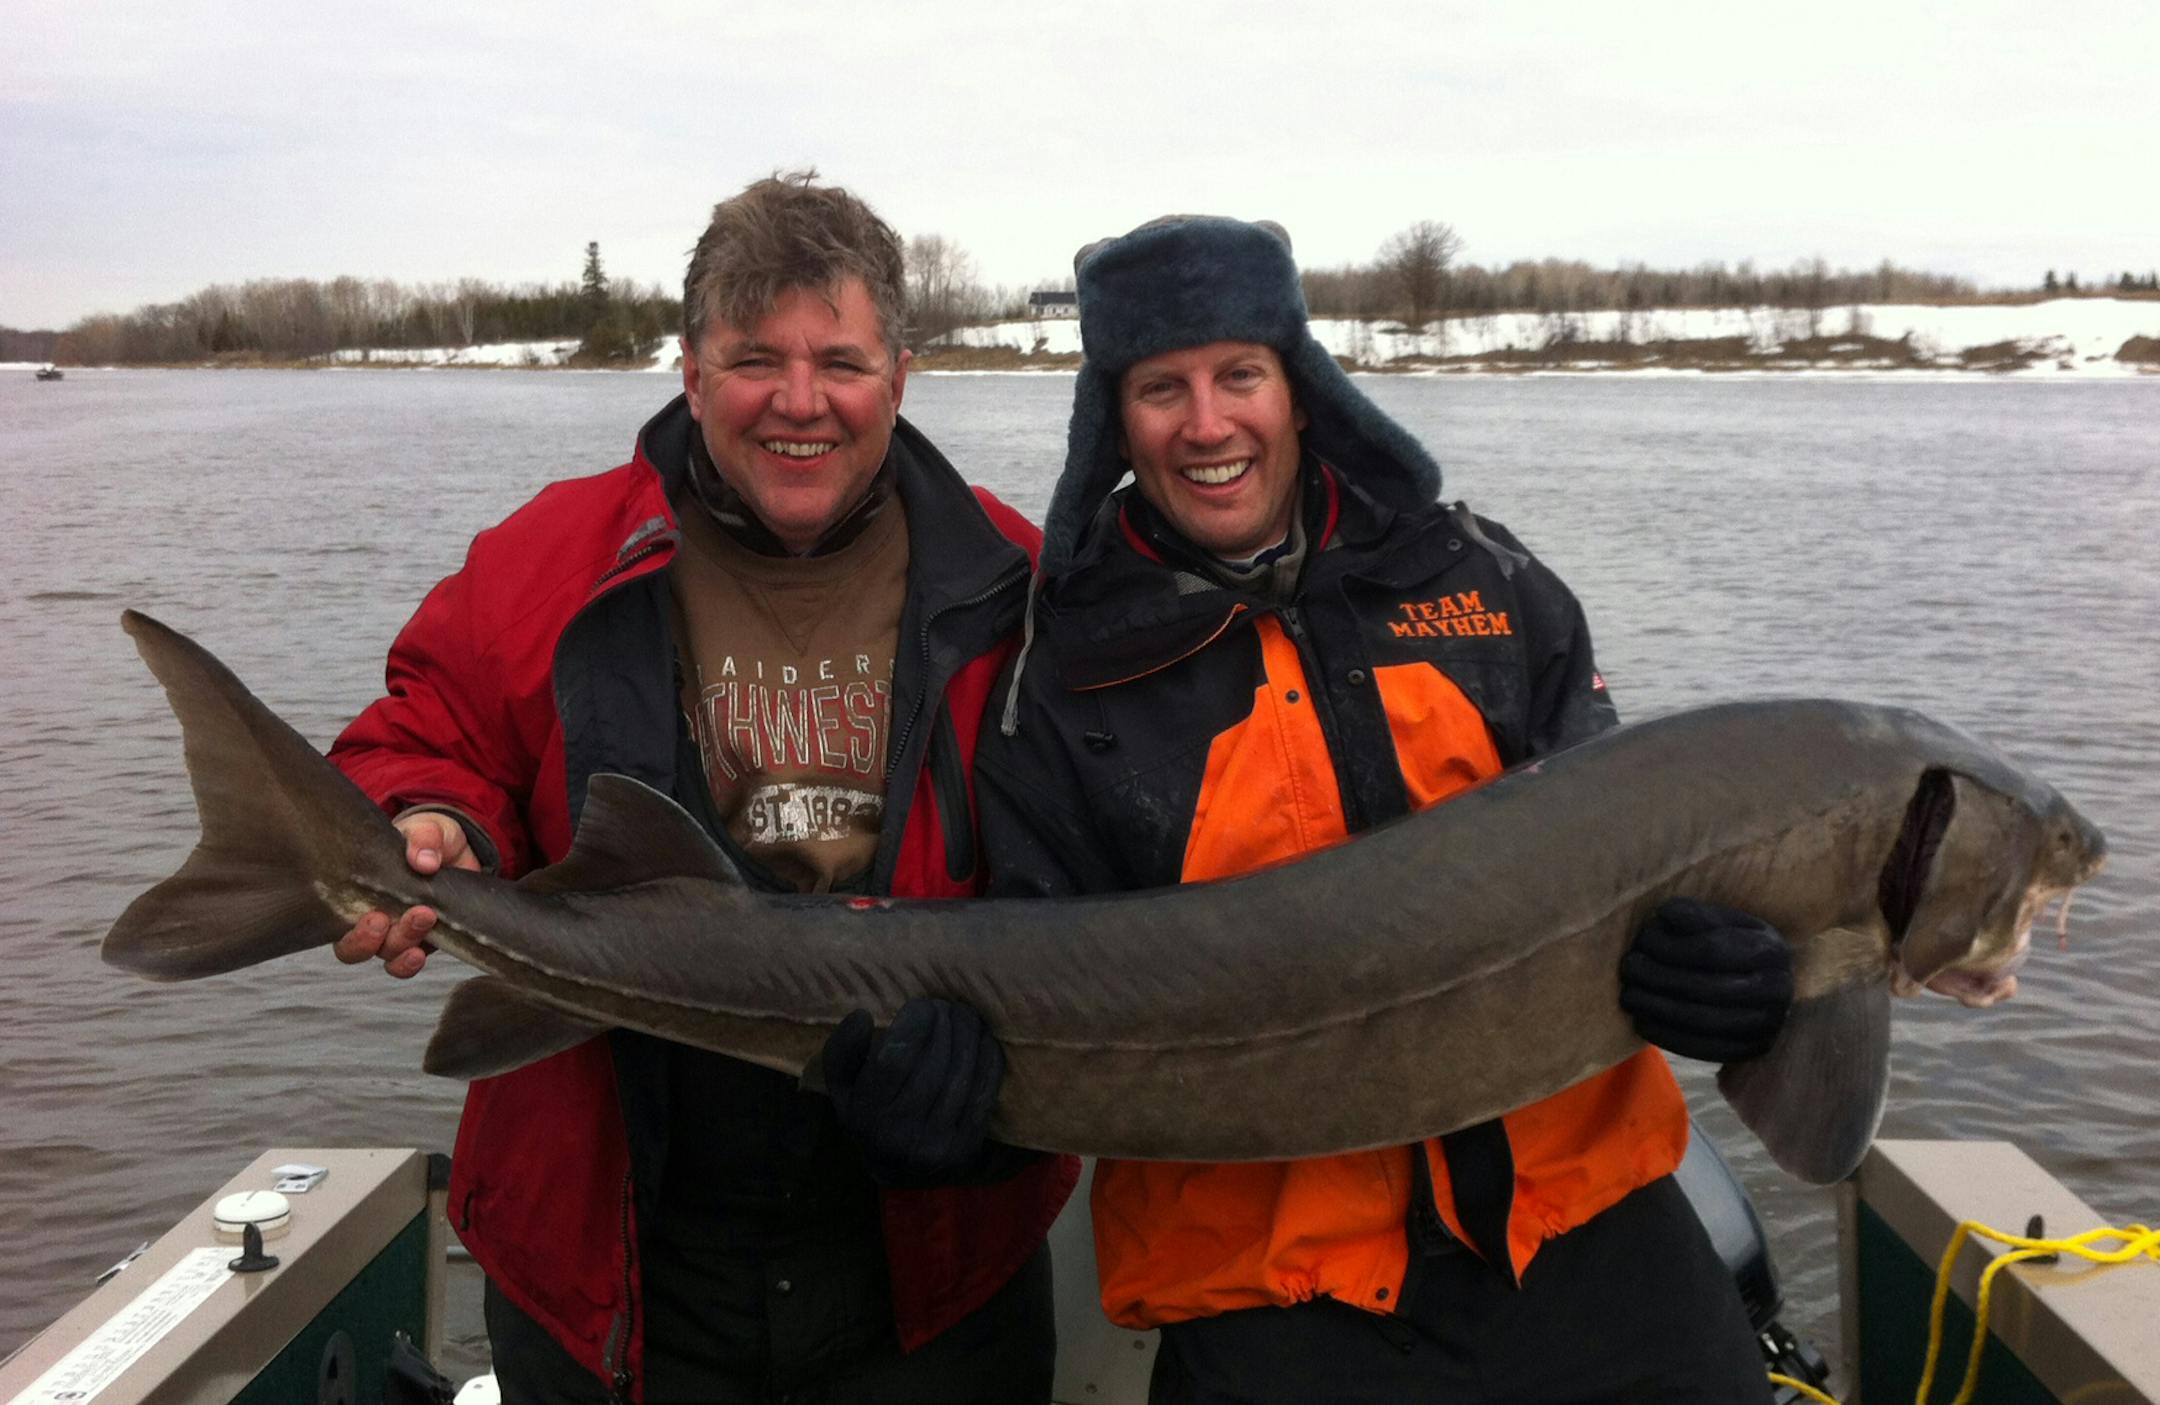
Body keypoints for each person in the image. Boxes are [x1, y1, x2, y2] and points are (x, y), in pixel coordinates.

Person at [975, 215, 1794, 1403]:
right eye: (1163, 387)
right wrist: (946, 1099)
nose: (1208, 424)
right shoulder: (1059, 683)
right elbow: (1031, 993)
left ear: (1299, 387)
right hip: (1270, 1290)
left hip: (1591, 1228)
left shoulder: (1487, 584)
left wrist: (1736, 968)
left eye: (1240, 374)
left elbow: (1640, 853)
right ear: (1114, 415)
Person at [327, 172, 1078, 1405]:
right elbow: (431, 728)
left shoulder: (1014, 579)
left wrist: (996, 1098)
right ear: (688, 372)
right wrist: (434, 818)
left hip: (926, 1253)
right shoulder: (552, 559)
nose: (799, 402)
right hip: (617, 1246)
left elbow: (1090, 845)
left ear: (899, 375)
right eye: (754, 360)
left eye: (839, 360)